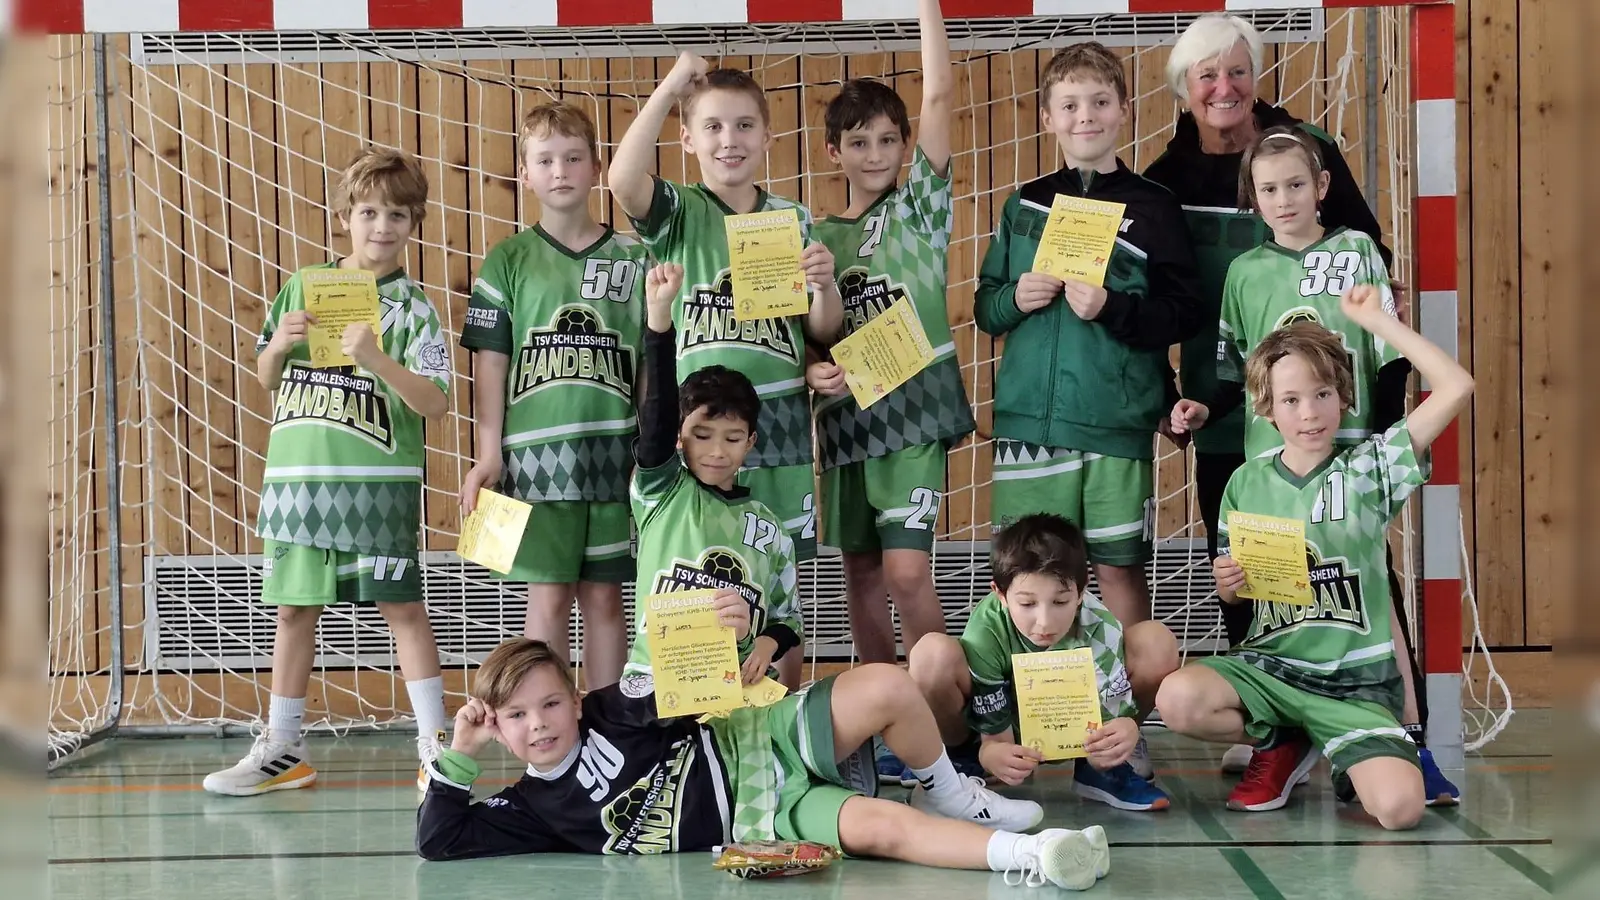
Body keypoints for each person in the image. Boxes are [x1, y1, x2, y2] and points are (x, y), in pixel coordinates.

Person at [1142, 15, 1453, 806]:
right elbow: (1214, 353)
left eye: (1236, 71)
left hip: (1344, 445)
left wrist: (1384, 428)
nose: (1223, 87)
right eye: (1206, 75)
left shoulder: (1344, 231)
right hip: (1254, 445)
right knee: (1255, 579)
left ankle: (1401, 739)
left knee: (1364, 575)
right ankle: (1279, 737)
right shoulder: (1208, 227)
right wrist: (1199, 410)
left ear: (1315, 186)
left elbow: (1382, 346)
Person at [417, 635, 1112, 891]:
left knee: (888, 685)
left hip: (758, 742)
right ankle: (1039, 854)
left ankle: (952, 790)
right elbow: (438, 841)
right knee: (881, 832)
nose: (537, 725)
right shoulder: (532, 810)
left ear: (573, 698)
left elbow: (695, 681)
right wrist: (460, 751)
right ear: (499, 728)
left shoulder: (611, 705)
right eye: (515, 716)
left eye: (548, 704)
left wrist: (743, 637)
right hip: (762, 815)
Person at [1155, 285, 1474, 829]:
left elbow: (1456, 386)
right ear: (1268, 409)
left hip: (1353, 685)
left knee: (1400, 811)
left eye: (1322, 394)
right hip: (1273, 670)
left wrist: (1378, 322)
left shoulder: (1370, 470)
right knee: (1177, 698)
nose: (1310, 413)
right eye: (1291, 400)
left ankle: (1333, 739)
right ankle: (1288, 737)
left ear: (1342, 396)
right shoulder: (1245, 482)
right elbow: (1236, 593)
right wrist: (1226, 580)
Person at [204, 148, 452, 796]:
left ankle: (436, 749)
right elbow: (265, 376)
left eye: (397, 214)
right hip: (299, 484)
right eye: (369, 211)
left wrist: (374, 357)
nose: (382, 225)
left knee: (402, 608)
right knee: (293, 611)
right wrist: (279, 345)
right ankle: (283, 748)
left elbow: (435, 402)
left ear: (414, 223)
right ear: (345, 217)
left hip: (377, 492)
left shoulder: (414, 309)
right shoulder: (305, 285)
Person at [609, 52, 847, 691]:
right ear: (686, 140)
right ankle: (702, 719)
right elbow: (622, 177)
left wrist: (823, 290)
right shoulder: (679, 212)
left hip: (784, 434)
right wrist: (672, 86)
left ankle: (786, 720)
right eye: (711, 127)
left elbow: (819, 332)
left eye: (744, 126)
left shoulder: (792, 219)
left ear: (766, 137)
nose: (729, 140)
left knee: (781, 585)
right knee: (709, 576)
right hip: (706, 441)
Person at [975, 41, 1204, 629]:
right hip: (1030, 422)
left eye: (1100, 102)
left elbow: (1183, 311)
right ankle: (1036, 711)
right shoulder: (1024, 203)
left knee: (1120, 568)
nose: (1085, 117)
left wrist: (1114, 308)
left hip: (1115, 422)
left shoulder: (1156, 207)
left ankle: (1130, 711)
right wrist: (1013, 297)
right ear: (1048, 117)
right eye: (1070, 105)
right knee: (1028, 575)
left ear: (1125, 109)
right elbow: (985, 307)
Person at [805, 0, 975, 671]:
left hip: (912, 417)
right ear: (833, 150)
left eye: (886, 139)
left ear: (906, 145)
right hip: (845, 421)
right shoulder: (813, 234)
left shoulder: (920, 209)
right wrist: (814, 369)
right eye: (857, 141)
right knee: (864, 578)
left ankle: (948, 717)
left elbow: (938, 90)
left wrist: (927, 7)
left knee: (907, 575)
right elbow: (812, 336)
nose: (874, 153)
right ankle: (877, 712)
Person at [457, 102, 647, 691]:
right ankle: (548, 729)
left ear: (596, 166)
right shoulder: (507, 260)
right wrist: (489, 453)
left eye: (572, 157)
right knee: (546, 601)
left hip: (614, 459)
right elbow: (491, 366)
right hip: (534, 464)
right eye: (545, 160)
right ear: (525, 173)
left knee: (606, 599)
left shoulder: (635, 258)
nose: (560, 170)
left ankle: (612, 729)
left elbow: (648, 361)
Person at [907, 514, 1179, 811]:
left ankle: (1102, 770)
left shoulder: (1099, 625)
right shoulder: (986, 628)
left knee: (1157, 641)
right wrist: (992, 750)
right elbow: (991, 714)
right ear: (999, 593)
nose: (1045, 622)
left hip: (1079, 728)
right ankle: (961, 759)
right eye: (1027, 604)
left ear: (1080, 592)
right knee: (930, 654)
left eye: (1060, 602)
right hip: (994, 727)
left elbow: (1114, 711)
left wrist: (1125, 728)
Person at [619, 264, 802, 687]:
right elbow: (660, 413)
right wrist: (659, 319)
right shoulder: (661, 492)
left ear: (751, 441)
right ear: (680, 438)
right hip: (654, 687)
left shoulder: (769, 529)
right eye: (701, 435)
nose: (717, 451)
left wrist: (766, 644)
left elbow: (788, 617)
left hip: (738, 693)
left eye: (733, 438)